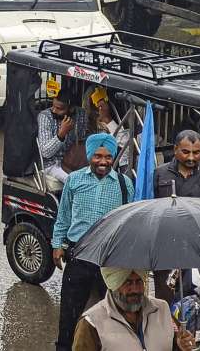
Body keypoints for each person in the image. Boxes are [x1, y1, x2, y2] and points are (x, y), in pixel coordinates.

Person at [51, 133, 134, 351]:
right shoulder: (74, 180)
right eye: (97, 156)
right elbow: (64, 216)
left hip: (110, 259)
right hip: (79, 256)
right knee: (69, 313)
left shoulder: (124, 185)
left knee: (111, 313)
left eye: (108, 157)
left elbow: (129, 223)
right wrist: (57, 245)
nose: (103, 161)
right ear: (90, 156)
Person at [154, 130, 200, 302]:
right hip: (168, 252)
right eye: (186, 152)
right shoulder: (160, 174)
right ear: (176, 149)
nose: (191, 157)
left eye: (196, 152)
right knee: (167, 306)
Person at [72, 268, 195, 351]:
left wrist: (182, 346)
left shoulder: (162, 309)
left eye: (139, 282)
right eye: (128, 283)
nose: (135, 290)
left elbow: (179, 343)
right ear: (113, 284)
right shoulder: (91, 323)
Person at [37, 89, 92, 184]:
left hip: (72, 161)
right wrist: (61, 134)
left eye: (59, 108)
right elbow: (45, 153)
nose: (54, 110)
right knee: (75, 182)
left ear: (71, 109)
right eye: (53, 106)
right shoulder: (45, 117)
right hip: (52, 164)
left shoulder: (81, 114)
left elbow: (83, 138)